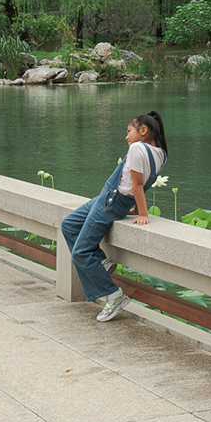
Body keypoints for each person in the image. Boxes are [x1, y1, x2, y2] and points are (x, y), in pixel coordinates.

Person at [61, 111, 168, 324]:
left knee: (81, 252)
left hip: (111, 201)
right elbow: (141, 183)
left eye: (129, 131)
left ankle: (114, 296)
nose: (126, 137)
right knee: (69, 224)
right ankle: (101, 261)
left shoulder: (137, 148)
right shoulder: (162, 154)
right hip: (111, 199)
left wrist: (144, 214)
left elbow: (137, 185)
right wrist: (135, 209)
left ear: (143, 130)